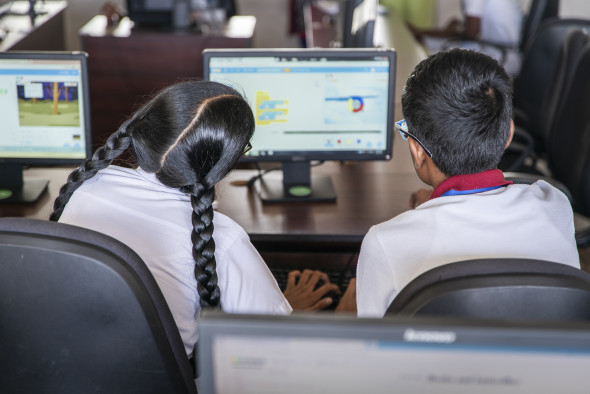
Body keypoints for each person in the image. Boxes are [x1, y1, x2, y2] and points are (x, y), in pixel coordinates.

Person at [49, 80, 341, 356]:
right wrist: (313, 310)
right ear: (224, 164)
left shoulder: (86, 185)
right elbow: (276, 353)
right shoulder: (225, 240)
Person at [355, 48, 581, 318]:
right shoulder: (555, 205)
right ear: (508, 134)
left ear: (417, 151)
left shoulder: (384, 243)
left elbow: (374, 346)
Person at [408, 0, 524, 74]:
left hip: (500, 58)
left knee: (432, 54)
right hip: (505, 53)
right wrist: (457, 28)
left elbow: (472, 31)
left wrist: (452, 30)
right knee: (434, 44)